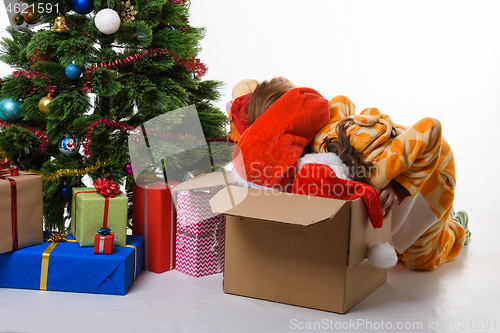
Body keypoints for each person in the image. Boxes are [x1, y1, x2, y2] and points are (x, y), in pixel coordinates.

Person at [228, 78, 470, 270]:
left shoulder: (367, 157)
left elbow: (431, 129)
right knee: (394, 241)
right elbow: (343, 102)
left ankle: (458, 227)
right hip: (400, 157)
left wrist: (401, 188)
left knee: (420, 260)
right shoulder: (314, 134)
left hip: (435, 166)